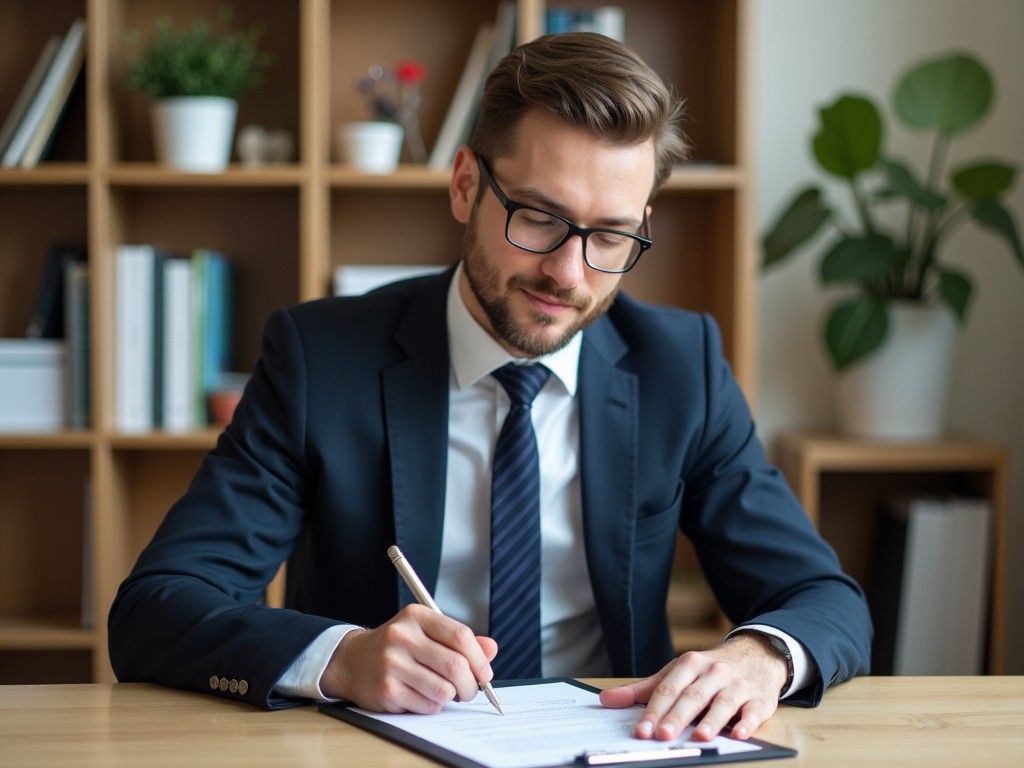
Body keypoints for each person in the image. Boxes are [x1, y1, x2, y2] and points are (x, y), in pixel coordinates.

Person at [108, 32, 871, 743]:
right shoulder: (320, 358)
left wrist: (762, 656)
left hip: (621, 749)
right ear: (466, 185)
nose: (568, 274)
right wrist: (339, 657)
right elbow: (154, 609)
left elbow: (826, 600)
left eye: (609, 236)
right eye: (539, 218)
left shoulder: (681, 364)